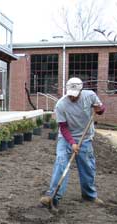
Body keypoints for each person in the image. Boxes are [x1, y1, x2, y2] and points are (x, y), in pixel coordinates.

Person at [40, 77, 106, 208]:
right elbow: (63, 127)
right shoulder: (61, 105)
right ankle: (53, 196)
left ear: (81, 90)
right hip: (66, 139)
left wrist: (100, 109)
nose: (72, 98)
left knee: (87, 166)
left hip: (85, 137)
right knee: (61, 162)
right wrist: (72, 142)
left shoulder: (90, 96)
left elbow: (101, 108)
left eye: (75, 95)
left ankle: (89, 195)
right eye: (70, 95)